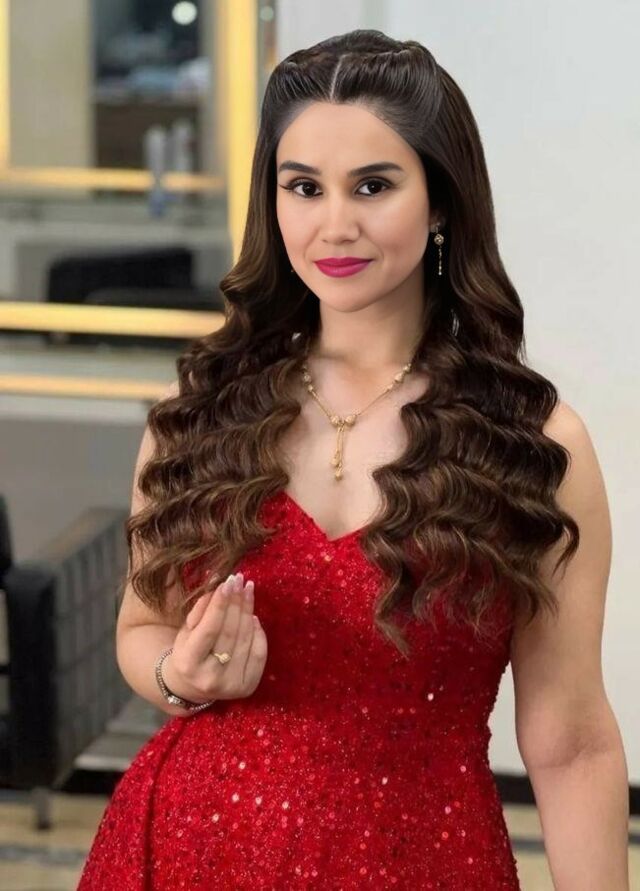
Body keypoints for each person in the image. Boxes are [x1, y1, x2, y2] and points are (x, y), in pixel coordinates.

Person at [77, 28, 629, 891]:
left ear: (440, 201)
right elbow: (141, 628)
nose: (335, 224)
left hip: (426, 862)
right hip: (185, 847)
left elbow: (573, 743)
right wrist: (176, 676)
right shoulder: (200, 415)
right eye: (304, 187)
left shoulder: (534, 444)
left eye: (373, 185)